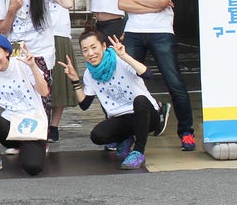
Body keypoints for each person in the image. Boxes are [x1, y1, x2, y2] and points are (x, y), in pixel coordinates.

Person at [118, 0, 194, 150]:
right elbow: (122, 3)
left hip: (161, 32)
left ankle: (186, 132)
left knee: (174, 82)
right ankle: (127, 134)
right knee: (128, 83)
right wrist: (156, 4)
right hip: (134, 32)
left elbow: (162, 0)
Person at [0, 0, 73, 133]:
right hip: (17, 52)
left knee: (42, 96)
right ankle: (20, 137)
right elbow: (0, 32)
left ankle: (40, 139)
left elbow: (68, 3)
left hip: (42, 52)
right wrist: (11, 10)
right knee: (20, 97)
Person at [58, 30, 161, 170]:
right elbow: (84, 104)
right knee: (97, 136)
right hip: (122, 118)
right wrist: (75, 80)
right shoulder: (90, 74)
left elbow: (147, 74)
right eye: (85, 50)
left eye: (94, 47)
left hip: (146, 115)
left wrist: (124, 56)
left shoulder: (120, 60)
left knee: (140, 100)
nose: (90, 53)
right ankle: (126, 138)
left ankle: (138, 152)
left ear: (104, 46)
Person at [0, 33, 48, 176]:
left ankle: (30, 147)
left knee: (33, 167)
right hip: (11, 126)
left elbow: (44, 91)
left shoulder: (22, 64)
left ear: (6, 52)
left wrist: (33, 67)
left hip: (33, 123)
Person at [36, 0, 77, 143]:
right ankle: (40, 122)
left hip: (59, 31)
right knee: (38, 80)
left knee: (59, 81)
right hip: (37, 34)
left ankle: (54, 126)